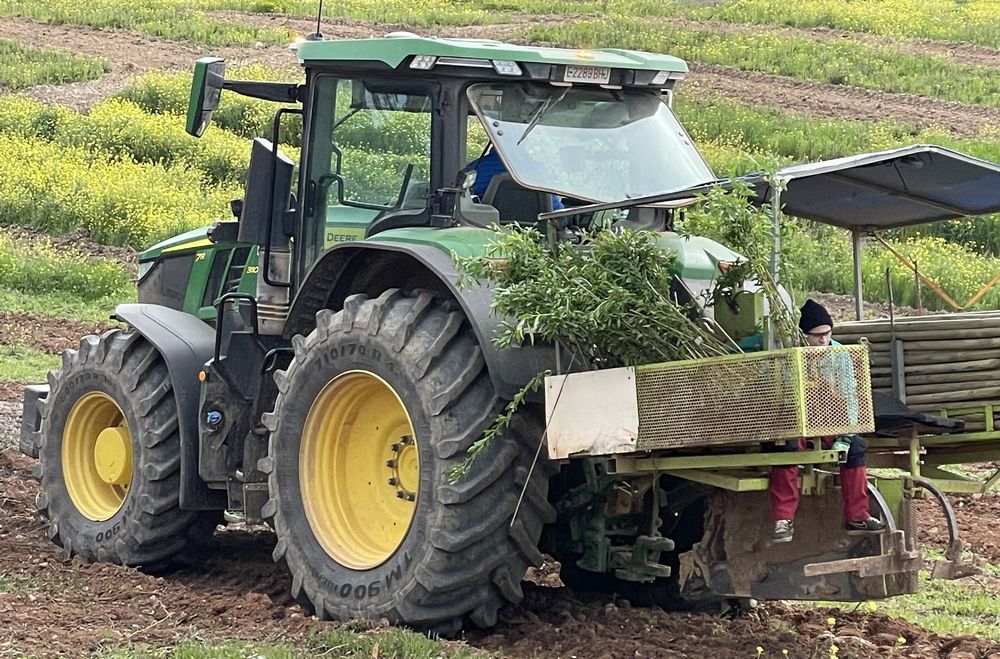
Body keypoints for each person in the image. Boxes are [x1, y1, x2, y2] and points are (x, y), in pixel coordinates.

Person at [770, 299, 887, 543]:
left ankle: (857, 516)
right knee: (785, 449)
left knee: (856, 449)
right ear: (804, 336)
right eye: (816, 336)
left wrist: (845, 437)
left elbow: (850, 398)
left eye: (827, 334)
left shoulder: (842, 356)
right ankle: (783, 519)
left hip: (830, 421)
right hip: (797, 421)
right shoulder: (790, 356)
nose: (823, 340)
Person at [467, 148, 565, 210]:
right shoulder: (539, 171)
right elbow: (556, 211)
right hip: (538, 238)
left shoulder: (474, 169)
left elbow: (465, 206)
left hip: (488, 235)